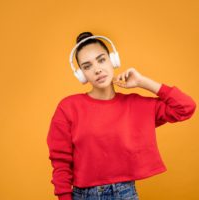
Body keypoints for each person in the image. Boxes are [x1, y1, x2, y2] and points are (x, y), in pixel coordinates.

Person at [46, 31, 196, 200]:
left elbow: (185, 107)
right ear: (81, 74)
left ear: (113, 60)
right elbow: (60, 161)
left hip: (126, 194)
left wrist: (142, 82)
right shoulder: (68, 107)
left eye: (101, 60)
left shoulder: (136, 105)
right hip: (83, 195)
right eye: (87, 66)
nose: (97, 69)